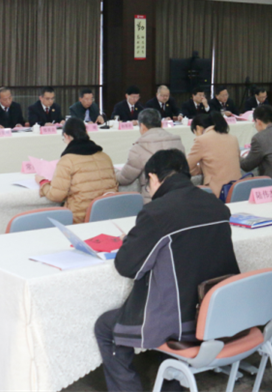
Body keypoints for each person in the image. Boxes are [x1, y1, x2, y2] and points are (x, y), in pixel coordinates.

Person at [95, 149, 239, 392]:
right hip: (216, 312)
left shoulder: (157, 212)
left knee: (106, 326)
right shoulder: (216, 204)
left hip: (182, 321)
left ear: (153, 177)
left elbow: (127, 266)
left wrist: (132, 239)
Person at [38, 118, 117, 223]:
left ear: (66, 136)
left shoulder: (67, 160)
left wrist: (43, 183)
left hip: (79, 218)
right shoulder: (105, 157)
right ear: (86, 132)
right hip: (108, 215)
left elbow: (56, 195)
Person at [116, 108, 185, 202]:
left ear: (142, 126)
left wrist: (113, 172)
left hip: (152, 200)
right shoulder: (177, 142)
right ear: (161, 124)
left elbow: (125, 178)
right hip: (178, 196)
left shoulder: (139, 147)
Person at [187, 112, 242, 196]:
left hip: (216, 191)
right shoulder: (233, 138)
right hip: (237, 189)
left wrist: (203, 169)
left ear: (198, 128)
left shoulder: (201, 140)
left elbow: (187, 166)